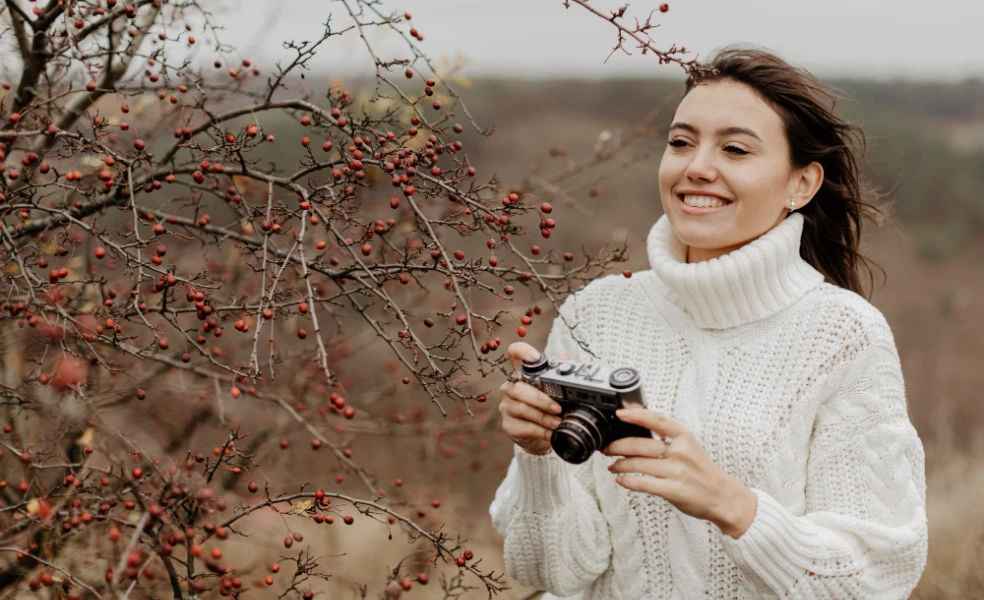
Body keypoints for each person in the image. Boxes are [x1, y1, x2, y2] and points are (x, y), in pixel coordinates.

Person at [489, 43, 928, 600]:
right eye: (680, 142)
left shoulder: (843, 335)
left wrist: (731, 504)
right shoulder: (595, 312)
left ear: (802, 184)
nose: (697, 167)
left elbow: (874, 579)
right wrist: (540, 458)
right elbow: (553, 572)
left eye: (736, 149)